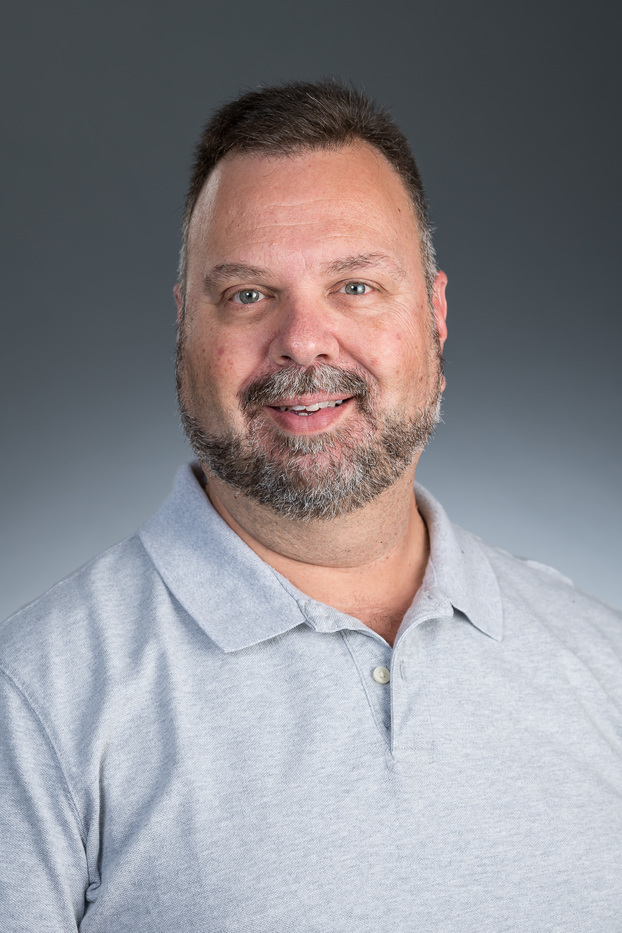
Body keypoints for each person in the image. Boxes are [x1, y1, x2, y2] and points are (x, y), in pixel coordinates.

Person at [1, 80, 621, 932]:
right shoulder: (32, 700)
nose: (302, 340)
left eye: (356, 286)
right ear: (185, 328)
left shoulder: (602, 659)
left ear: (435, 313)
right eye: (248, 294)